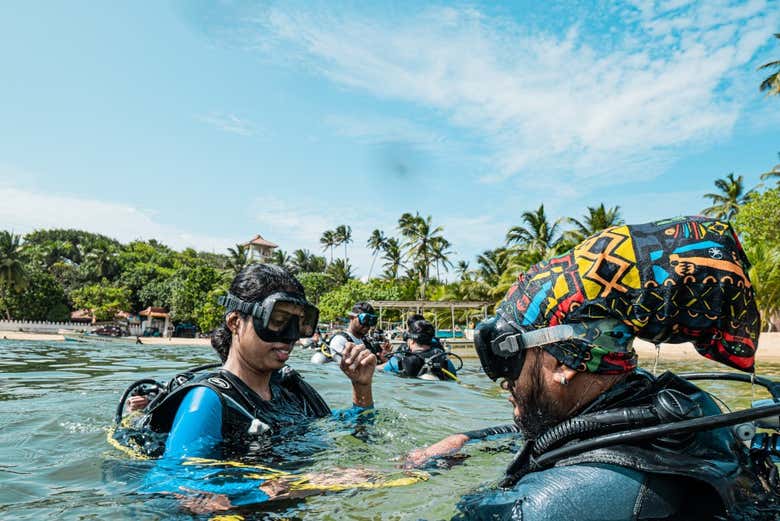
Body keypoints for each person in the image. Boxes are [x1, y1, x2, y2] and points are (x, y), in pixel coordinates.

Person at [406, 217, 780, 520]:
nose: (505, 381)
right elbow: (562, 429)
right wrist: (470, 438)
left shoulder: (547, 508)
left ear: (562, 363)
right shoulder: (675, 412)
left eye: (508, 360)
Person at [113, 264, 386, 510]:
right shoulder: (207, 400)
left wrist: (361, 388)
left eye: (297, 324)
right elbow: (169, 487)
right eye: (277, 322)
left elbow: (344, 430)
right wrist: (301, 484)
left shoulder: (291, 390)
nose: (290, 337)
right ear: (235, 322)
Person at [310, 301, 390, 364]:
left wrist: (384, 358)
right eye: (365, 320)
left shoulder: (366, 342)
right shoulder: (340, 341)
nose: (367, 325)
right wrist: (387, 366)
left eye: (371, 321)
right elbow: (350, 370)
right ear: (351, 317)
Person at [380, 319, 459, 380]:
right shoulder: (445, 361)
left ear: (412, 341)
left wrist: (384, 360)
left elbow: (381, 373)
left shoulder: (397, 362)